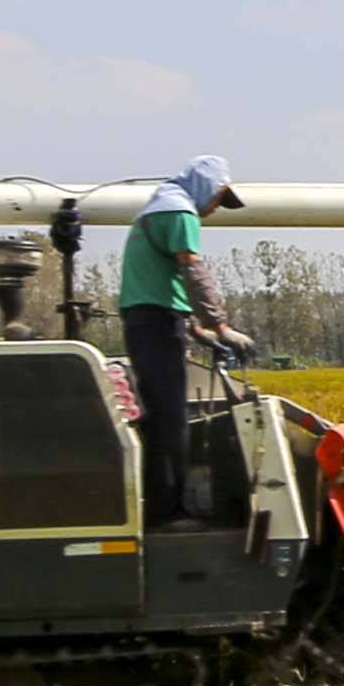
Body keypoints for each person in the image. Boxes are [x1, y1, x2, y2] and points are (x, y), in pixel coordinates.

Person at [115, 153, 244, 522]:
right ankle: (169, 513)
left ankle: (162, 507)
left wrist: (196, 329)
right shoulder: (180, 212)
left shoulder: (158, 208)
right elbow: (193, 271)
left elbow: (157, 280)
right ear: (206, 188)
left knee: (161, 415)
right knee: (170, 419)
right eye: (219, 199)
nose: (216, 208)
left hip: (149, 319)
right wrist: (221, 325)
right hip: (156, 323)